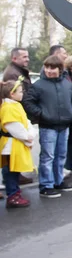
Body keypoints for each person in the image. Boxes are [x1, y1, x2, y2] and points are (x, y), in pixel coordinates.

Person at [22, 55, 72, 198]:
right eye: (47, 67)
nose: (49, 70)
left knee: (60, 155)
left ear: (60, 69)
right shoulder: (39, 85)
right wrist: (41, 114)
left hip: (64, 125)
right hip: (48, 127)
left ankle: (58, 181)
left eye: (52, 68)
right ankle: (46, 185)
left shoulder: (67, 84)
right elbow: (28, 102)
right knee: (48, 157)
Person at [0, 79, 35, 208]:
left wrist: (30, 134)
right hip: (10, 145)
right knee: (10, 171)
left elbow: (26, 122)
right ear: (11, 93)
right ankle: (13, 195)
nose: (23, 93)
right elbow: (13, 127)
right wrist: (27, 137)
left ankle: (15, 192)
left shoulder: (15, 105)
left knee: (13, 171)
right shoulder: (8, 107)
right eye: (20, 91)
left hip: (16, 144)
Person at [2, 48, 34, 185]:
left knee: (12, 166)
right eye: (24, 56)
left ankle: (15, 182)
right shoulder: (12, 74)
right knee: (9, 166)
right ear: (14, 58)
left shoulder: (19, 72)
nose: (27, 59)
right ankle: (12, 188)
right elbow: (13, 126)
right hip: (12, 135)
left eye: (28, 56)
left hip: (20, 113)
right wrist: (27, 137)